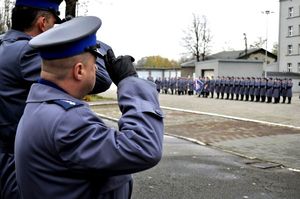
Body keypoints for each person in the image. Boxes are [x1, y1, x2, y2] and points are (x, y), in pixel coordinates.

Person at [15, 16, 164, 199]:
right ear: (79, 71)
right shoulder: (66, 120)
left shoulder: (41, 107)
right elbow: (144, 146)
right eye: (94, 66)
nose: (96, 71)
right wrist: (130, 83)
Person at [0, 1, 112, 198]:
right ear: (43, 23)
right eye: (53, 23)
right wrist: (89, 42)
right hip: (18, 168)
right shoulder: (26, 52)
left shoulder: (3, 44)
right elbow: (100, 79)